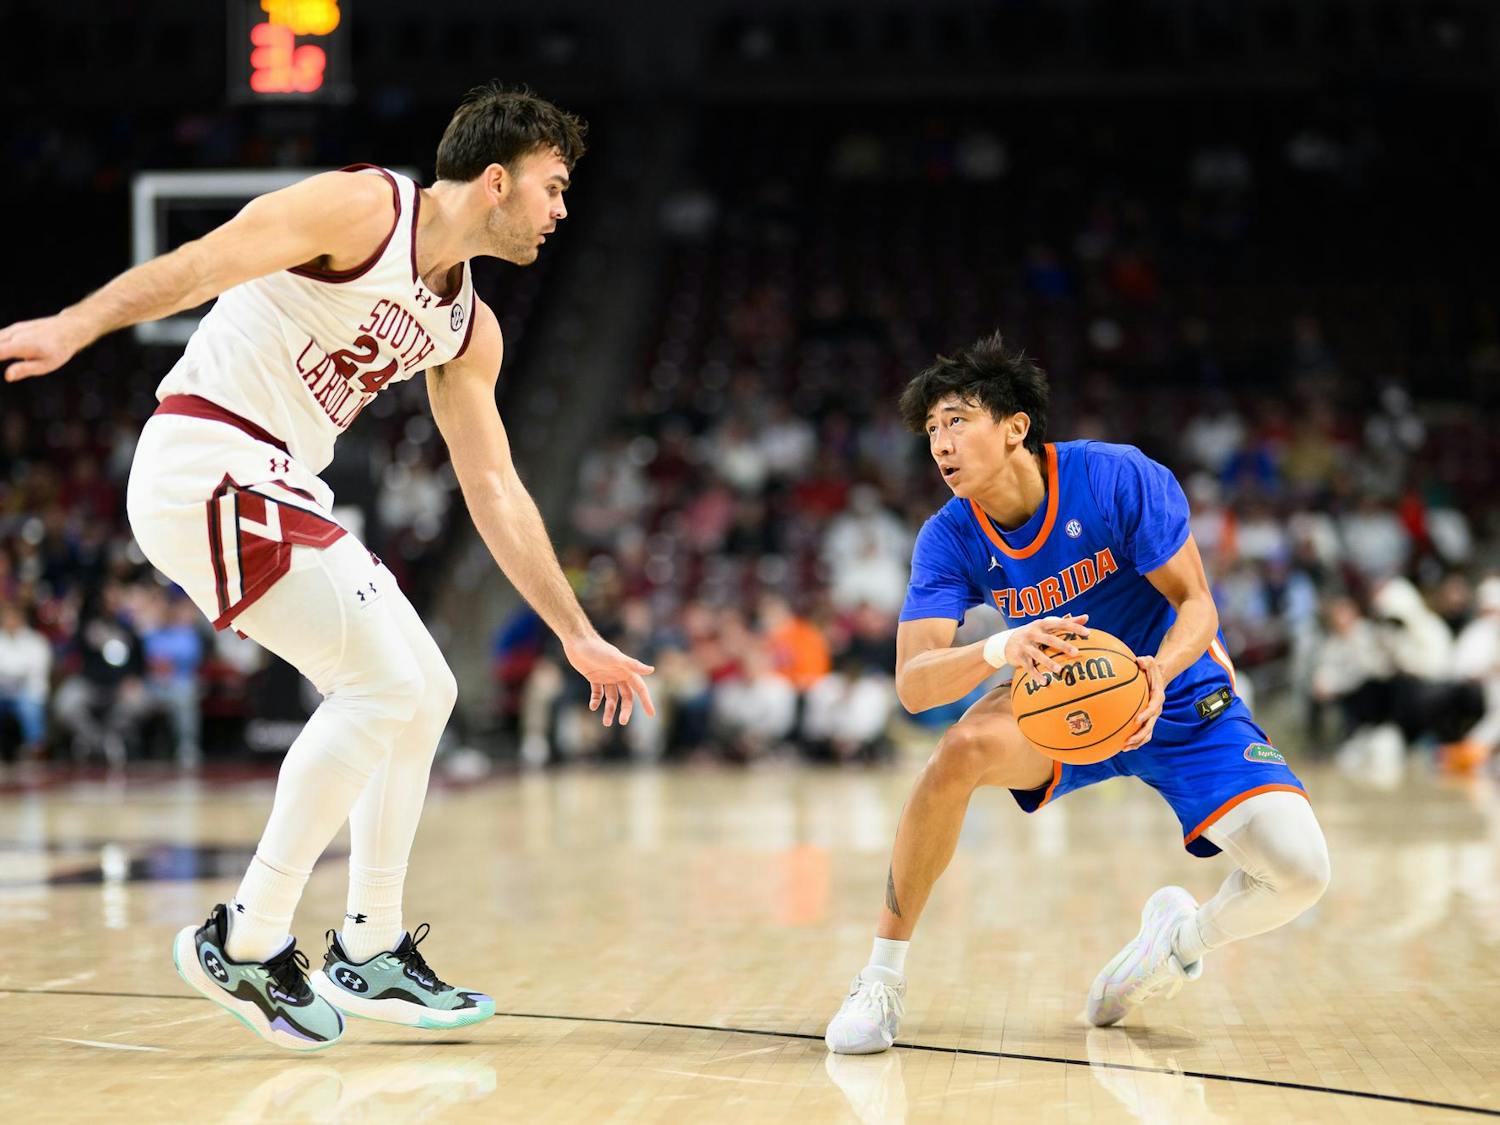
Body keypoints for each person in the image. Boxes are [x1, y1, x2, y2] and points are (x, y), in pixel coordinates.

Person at [0, 83, 655, 1052]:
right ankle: (250, 937)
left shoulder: (467, 327)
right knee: (385, 682)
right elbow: (196, 266)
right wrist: (74, 325)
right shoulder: (364, 209)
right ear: (493, 181)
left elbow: (496, 487)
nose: (563, 210)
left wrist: (575, 630)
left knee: (423, 689)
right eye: (553, 187)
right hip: (206, 455)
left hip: (272, 482)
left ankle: (371, 946)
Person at [824, 333, 1330, 1053]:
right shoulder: (949, 535)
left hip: (1174, 689)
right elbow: (913, 681)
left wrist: (1155, 672)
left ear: (1016, 425)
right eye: (931, 429)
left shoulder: (1116, 477)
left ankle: (1176, 938)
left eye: (957, 419)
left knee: (1302, 872)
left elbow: (1198, 606)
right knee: (959, 749)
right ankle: (881, 977)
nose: (941, 441)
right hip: (1059, 693)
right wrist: (999, 645)